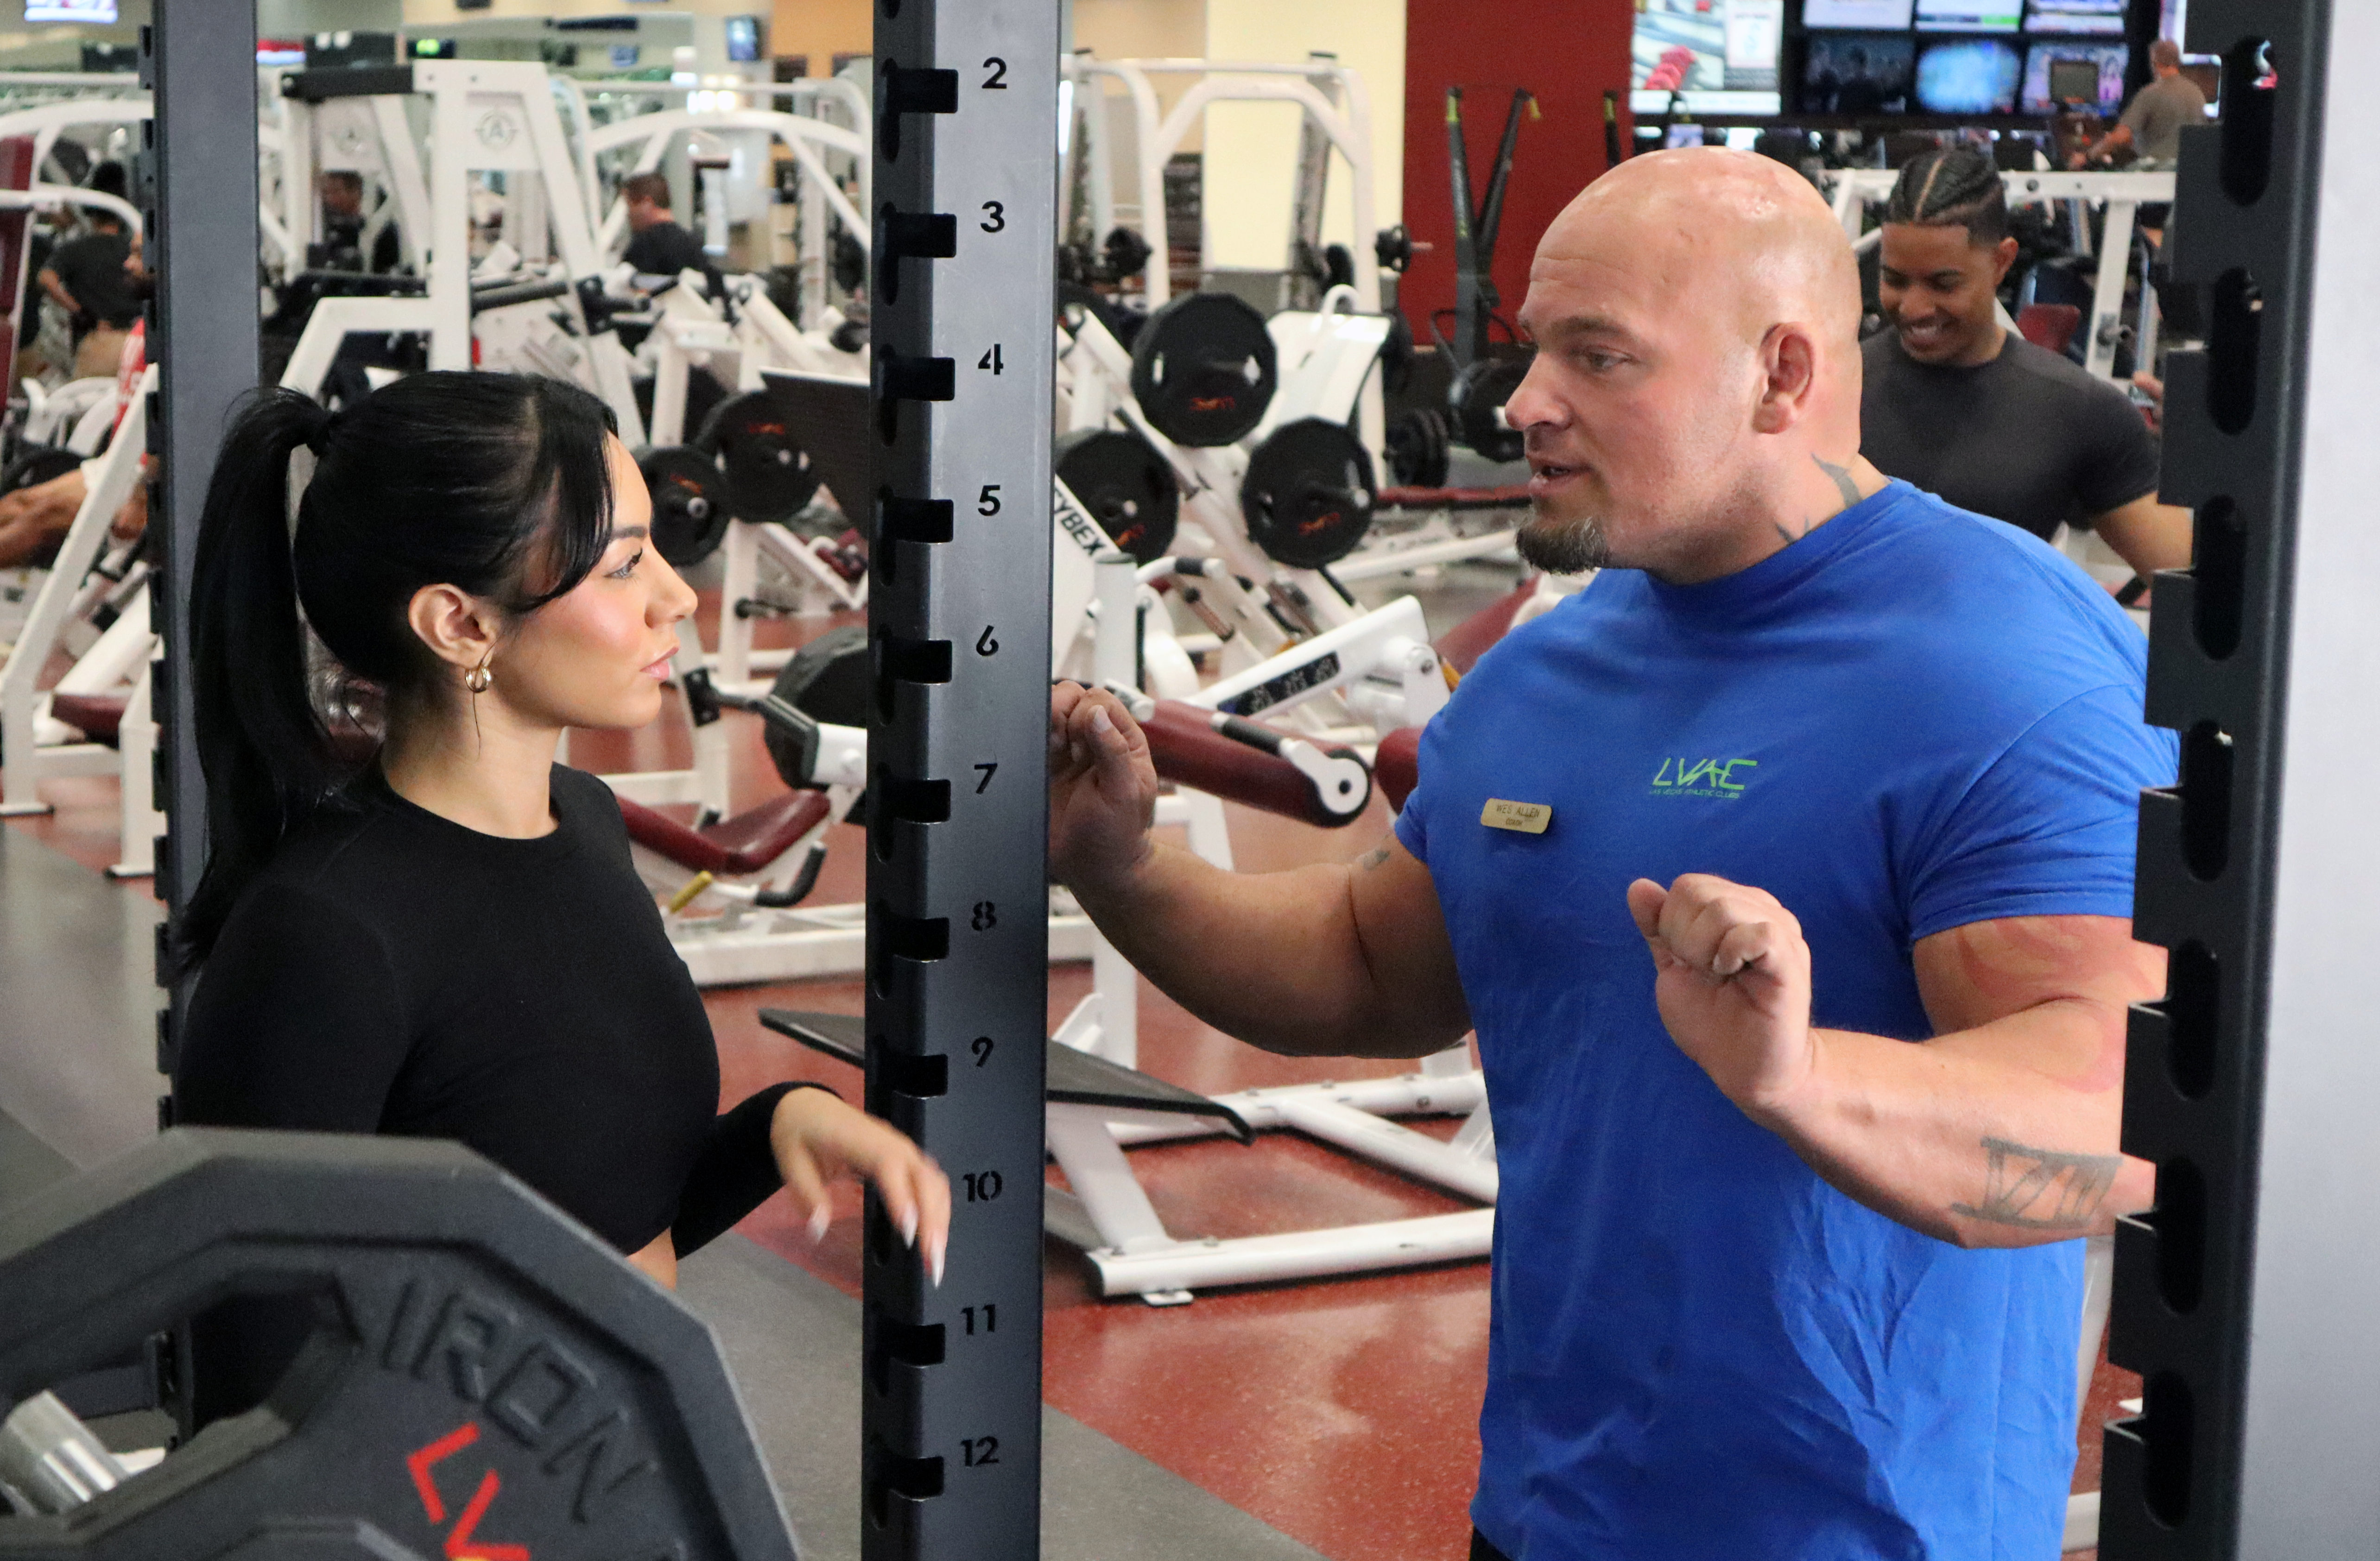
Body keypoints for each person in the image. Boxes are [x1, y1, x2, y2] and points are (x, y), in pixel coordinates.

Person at [1047, 147, 2175, 1560]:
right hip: (1546, 1506)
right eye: (1533, 353)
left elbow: (2116, 1111)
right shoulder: (1547, 668)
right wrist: (1125, 868)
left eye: (1598, 358)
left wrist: (1799, 1076)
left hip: (1866, 1534)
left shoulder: (2008, 667)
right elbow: (1366, 970)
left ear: (1776, 376)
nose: (1524, 405)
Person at [169, 372, 948, 1420]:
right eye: (624, 564)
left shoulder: (581, 822)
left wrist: (779, 1125)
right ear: (459, 624)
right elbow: (255, 1392)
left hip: (615, 1473)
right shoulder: (327, 938)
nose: (677, 594)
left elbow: (598, 1214)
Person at [1862, 146, 2192, 576]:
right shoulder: (1829, 386)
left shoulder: (2079, 410)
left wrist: (2202, 460)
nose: (1914, 307)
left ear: (2002, 261)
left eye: (1944, 284)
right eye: (1895, 279)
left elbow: (2188, 586)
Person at [37, 164, 141, 380]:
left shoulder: (75, 249)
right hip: (136, 346)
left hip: (97, 344)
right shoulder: (136, 250)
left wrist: (81, 313)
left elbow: (46, 279)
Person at [2072, 40, 2208, 169]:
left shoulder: (2151, 93)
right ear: (2178, 62)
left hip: (2155, 173)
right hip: (2187, 172)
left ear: (2155, 62)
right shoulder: (2197, 93)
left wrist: (2087, 156)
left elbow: (2120, 138)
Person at [620, 171, 709, 279]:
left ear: (647, 203)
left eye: (630, 206)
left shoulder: (644, 246)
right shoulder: (695, 243)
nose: (628, 215)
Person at [317, 170, 403, 274]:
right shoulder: (327, 227)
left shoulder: (383, 229)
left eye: (335, 191)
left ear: (355, 191)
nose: (329, 199)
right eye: (326, 193)